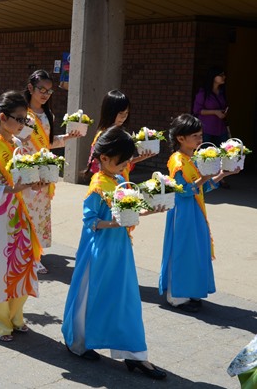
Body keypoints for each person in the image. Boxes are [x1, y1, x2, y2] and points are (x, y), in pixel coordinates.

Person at [62, 126, 167, 380]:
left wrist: (150, 210)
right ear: (104, 158)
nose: (125, 166)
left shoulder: (119, 180)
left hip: (120, 248)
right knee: (89, 295)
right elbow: (90, 221)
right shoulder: (97, 185)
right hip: (99, 251)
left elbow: (130, 212)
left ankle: (134, 353)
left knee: (125, 298)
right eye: (121, 162)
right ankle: (77, 342)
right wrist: (116, 223)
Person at [0, 90, 43, 342]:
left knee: (21, 260)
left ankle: (15, 315)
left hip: (19, 211)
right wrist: (10, 190)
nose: (23, 124)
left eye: (25, 119)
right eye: (19, 119)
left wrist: (34, 183)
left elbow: (21, 179)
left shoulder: (16, 144)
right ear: (3, 118)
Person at [159, 114, 238, 312]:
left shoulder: (193, 158)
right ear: (180, 138)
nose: (199, 139)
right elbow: (182, 191)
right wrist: (203, 178)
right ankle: (177, 297)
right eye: (194, 135)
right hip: (182, 213)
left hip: (196, 211)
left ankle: (190, 290)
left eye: (200, 135)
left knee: (194, 251)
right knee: (182, 251)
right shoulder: (177, 160)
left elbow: (203, 187)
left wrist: (224, 173)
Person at [22, 69, 81, 274]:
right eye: (42, 89)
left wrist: (68, 137)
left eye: (49, 91)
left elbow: (47, 143)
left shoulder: (49, 115)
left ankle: (35, 255)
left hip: (44, 173)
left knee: (39, 215)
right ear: (30, 88)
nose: (45, 94)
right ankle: (26, 255)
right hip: (24, 171)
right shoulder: (21, 114)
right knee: (25, 214)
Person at [86, 90, 154, 182]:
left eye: (126, 113)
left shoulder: (120, 133)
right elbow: (101, 166)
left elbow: (119, 162)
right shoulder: (104, 136)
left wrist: (139, 158)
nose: (124, 117)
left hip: (120, 182)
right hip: (108, 184)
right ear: (110, 112)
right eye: (121, 113)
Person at [193, 67, 229, 146]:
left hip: (221, 129)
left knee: (224, 151)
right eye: (221, 75)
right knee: (205, 152)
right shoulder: (203, 93)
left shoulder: (222, 92)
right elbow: (197, 110)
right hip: (207, 130)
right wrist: (215, 112)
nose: (224, 77)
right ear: (213, 77)